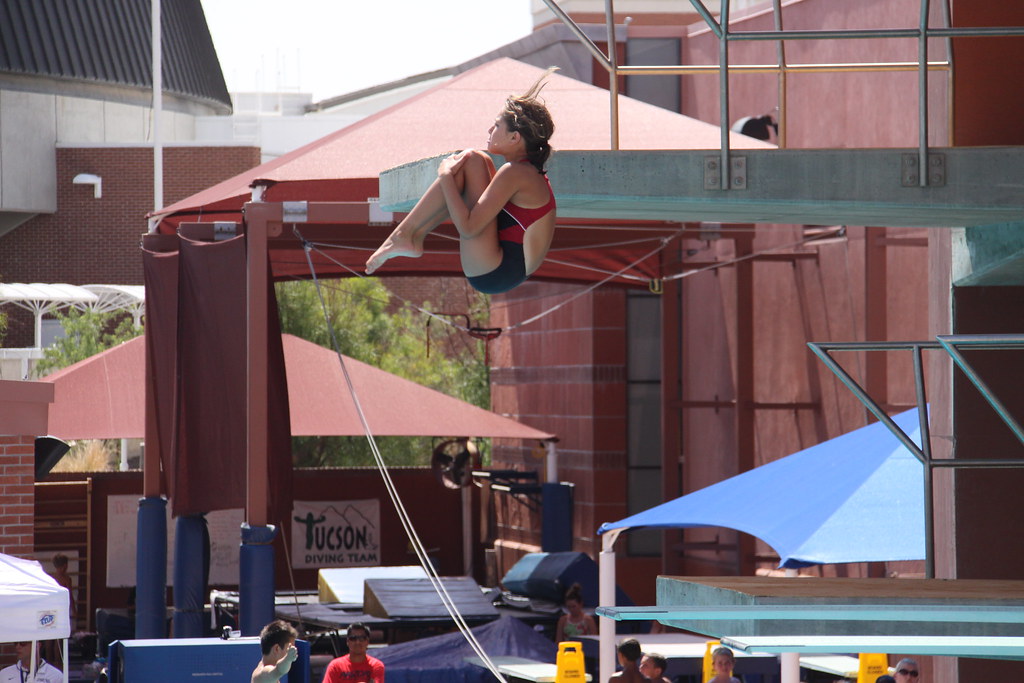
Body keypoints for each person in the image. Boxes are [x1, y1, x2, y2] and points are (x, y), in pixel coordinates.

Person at [365, 69, 558, 295]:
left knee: (471, 159)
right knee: (476, 160)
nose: (489, 130)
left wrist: (445, 176)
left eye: (496, 126)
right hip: (504, 270)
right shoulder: (525, 172)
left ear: (515, 138)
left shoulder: (515, 172)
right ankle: (408, 236)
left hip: (496, 271)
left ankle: (404, 235)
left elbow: (468, 228)